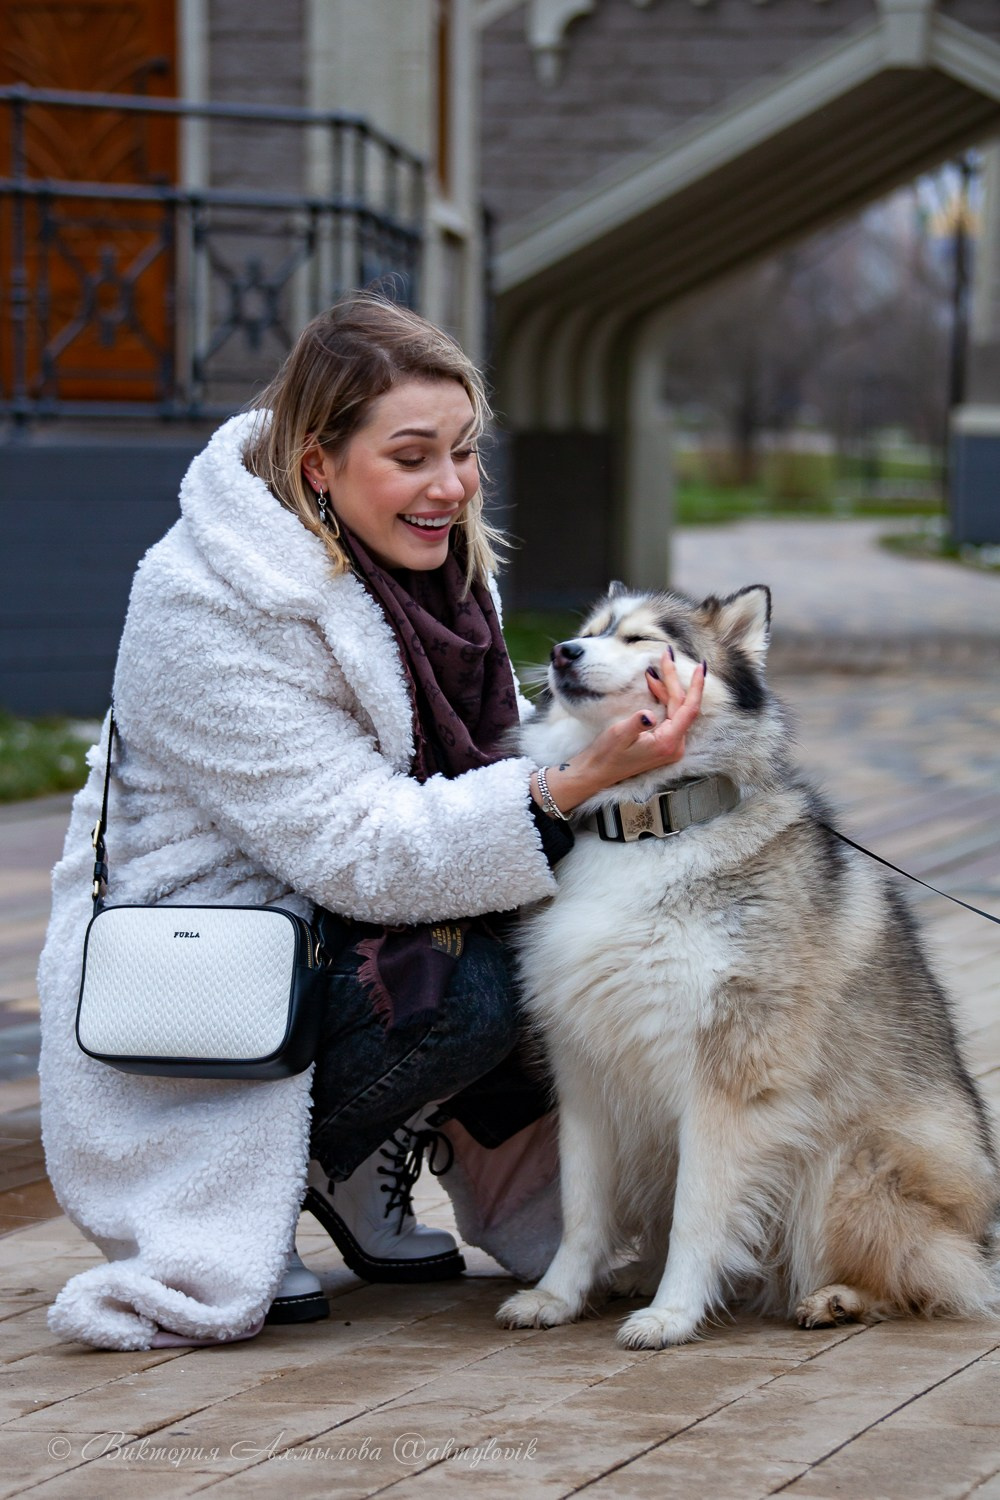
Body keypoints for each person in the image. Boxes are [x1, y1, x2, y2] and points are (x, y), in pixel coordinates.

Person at [37, 294, 704, 1350]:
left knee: (570, 936)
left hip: (325, 938)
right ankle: (276, 1175)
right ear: (318, 464)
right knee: (466, 987)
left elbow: (485, 759)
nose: (449, 487)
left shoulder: (433, 577)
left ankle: (350, 1166)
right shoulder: (205, 604)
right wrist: (571, 785)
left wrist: (624, 740)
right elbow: (362, 851)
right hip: (208, 975)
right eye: (411, 456)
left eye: (464, 451)